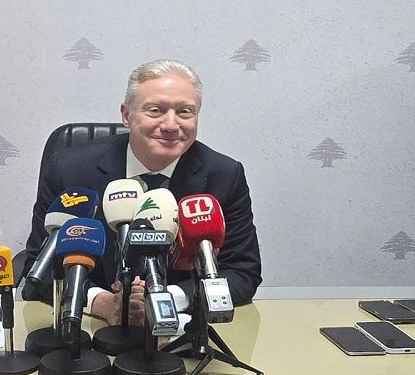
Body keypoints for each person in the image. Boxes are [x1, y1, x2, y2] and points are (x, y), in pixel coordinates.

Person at [21, 59, 262, 326]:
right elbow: (39, 267)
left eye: (185, 112)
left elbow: (242, 273)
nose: (170, 125)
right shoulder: (69, 169)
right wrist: (101, 302)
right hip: (87, 328)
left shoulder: (224, 176)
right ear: (127, 115)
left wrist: (165, 300)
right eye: (156, 110)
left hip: (181, 331)